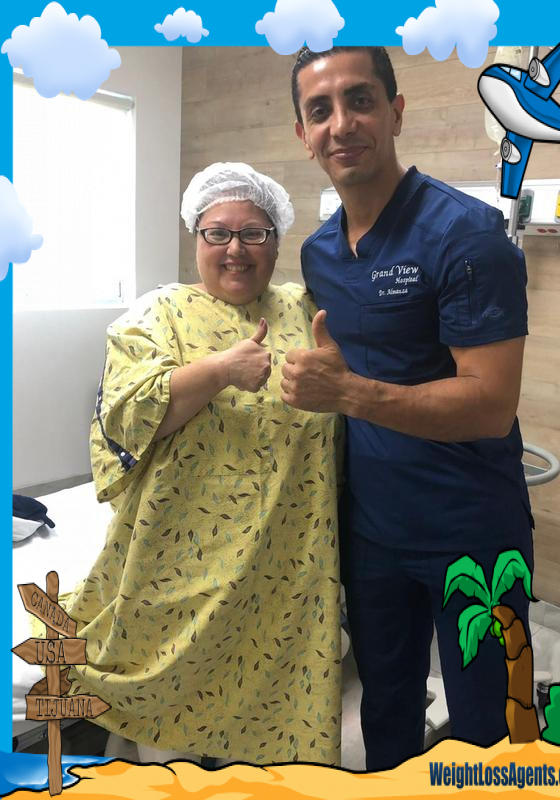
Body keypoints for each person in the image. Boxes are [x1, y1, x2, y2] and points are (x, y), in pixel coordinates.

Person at [283, 46, 535, 771]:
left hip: (473, 531)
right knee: (386, 707)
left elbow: (490, 405)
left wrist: (348, 394)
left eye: (359, 100)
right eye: (320, 110)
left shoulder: (466, 236)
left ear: (395, 112)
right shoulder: (318, 254)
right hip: (373, 534)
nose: (341, 124)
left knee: (493, 725)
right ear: (303, 135)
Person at [65, 163, 343, 766]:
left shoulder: (306, 309)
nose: (235, 249)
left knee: (270, 726)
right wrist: (220, 370)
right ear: (196, 237)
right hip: (175, 565)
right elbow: (128, 417)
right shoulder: (156, 314)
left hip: (285, 568)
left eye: (254, 233)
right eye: (218, 233)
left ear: (276, 242)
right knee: (168, 735)